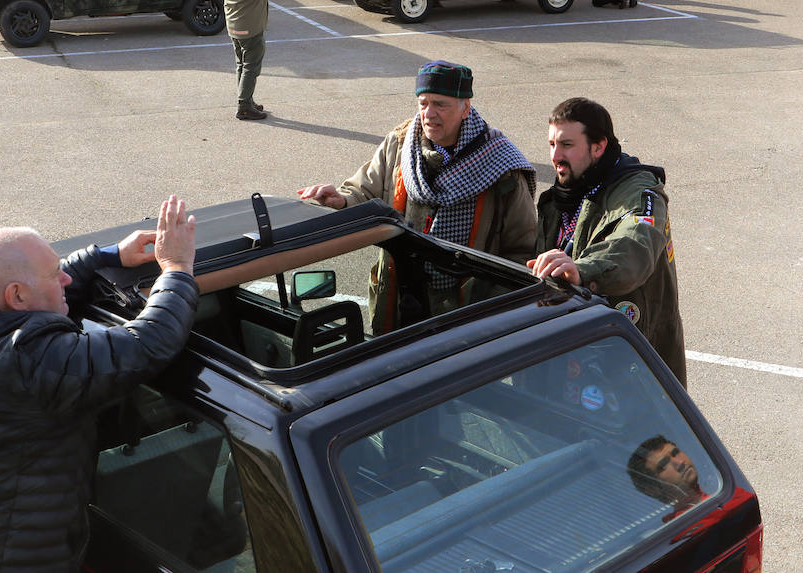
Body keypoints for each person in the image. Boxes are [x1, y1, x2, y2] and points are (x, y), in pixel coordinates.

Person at [0, 197, 200, 573]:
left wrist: (107, 255)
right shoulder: (33, 360)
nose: (65, 279)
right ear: (17, 296)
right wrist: (178, 268)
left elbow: (28, 281)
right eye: (56, 275)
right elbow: (146, 344)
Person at [297, 61, 537, 333]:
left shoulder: (501, 166)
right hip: (401, 297)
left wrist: (490, 311)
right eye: (422, 103)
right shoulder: (400, 144)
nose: (428, 114)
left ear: (465, 108)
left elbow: (521, 251)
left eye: (440, 104)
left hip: (466, 314)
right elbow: (366, 191)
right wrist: (341, 200)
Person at [528, 98, 685, 384]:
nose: (555, 156)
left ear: (598, 146)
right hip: (571, 358)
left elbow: (635, 246)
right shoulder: (559, 199)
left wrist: (583, 269)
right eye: (552, 144)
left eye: (566, 145)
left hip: (631, 366)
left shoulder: (641, 194)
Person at [218, 0, 281, 120]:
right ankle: (244, 106)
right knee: (251, 67)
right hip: (251, 26)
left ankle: (246, 99)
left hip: (233, 24)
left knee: (241, 65)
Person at [627, 435, 706, 517]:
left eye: (675, 453)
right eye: (664, 464)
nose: (680, 462)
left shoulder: (717, 489)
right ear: (653, 489)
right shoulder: (684, 526)